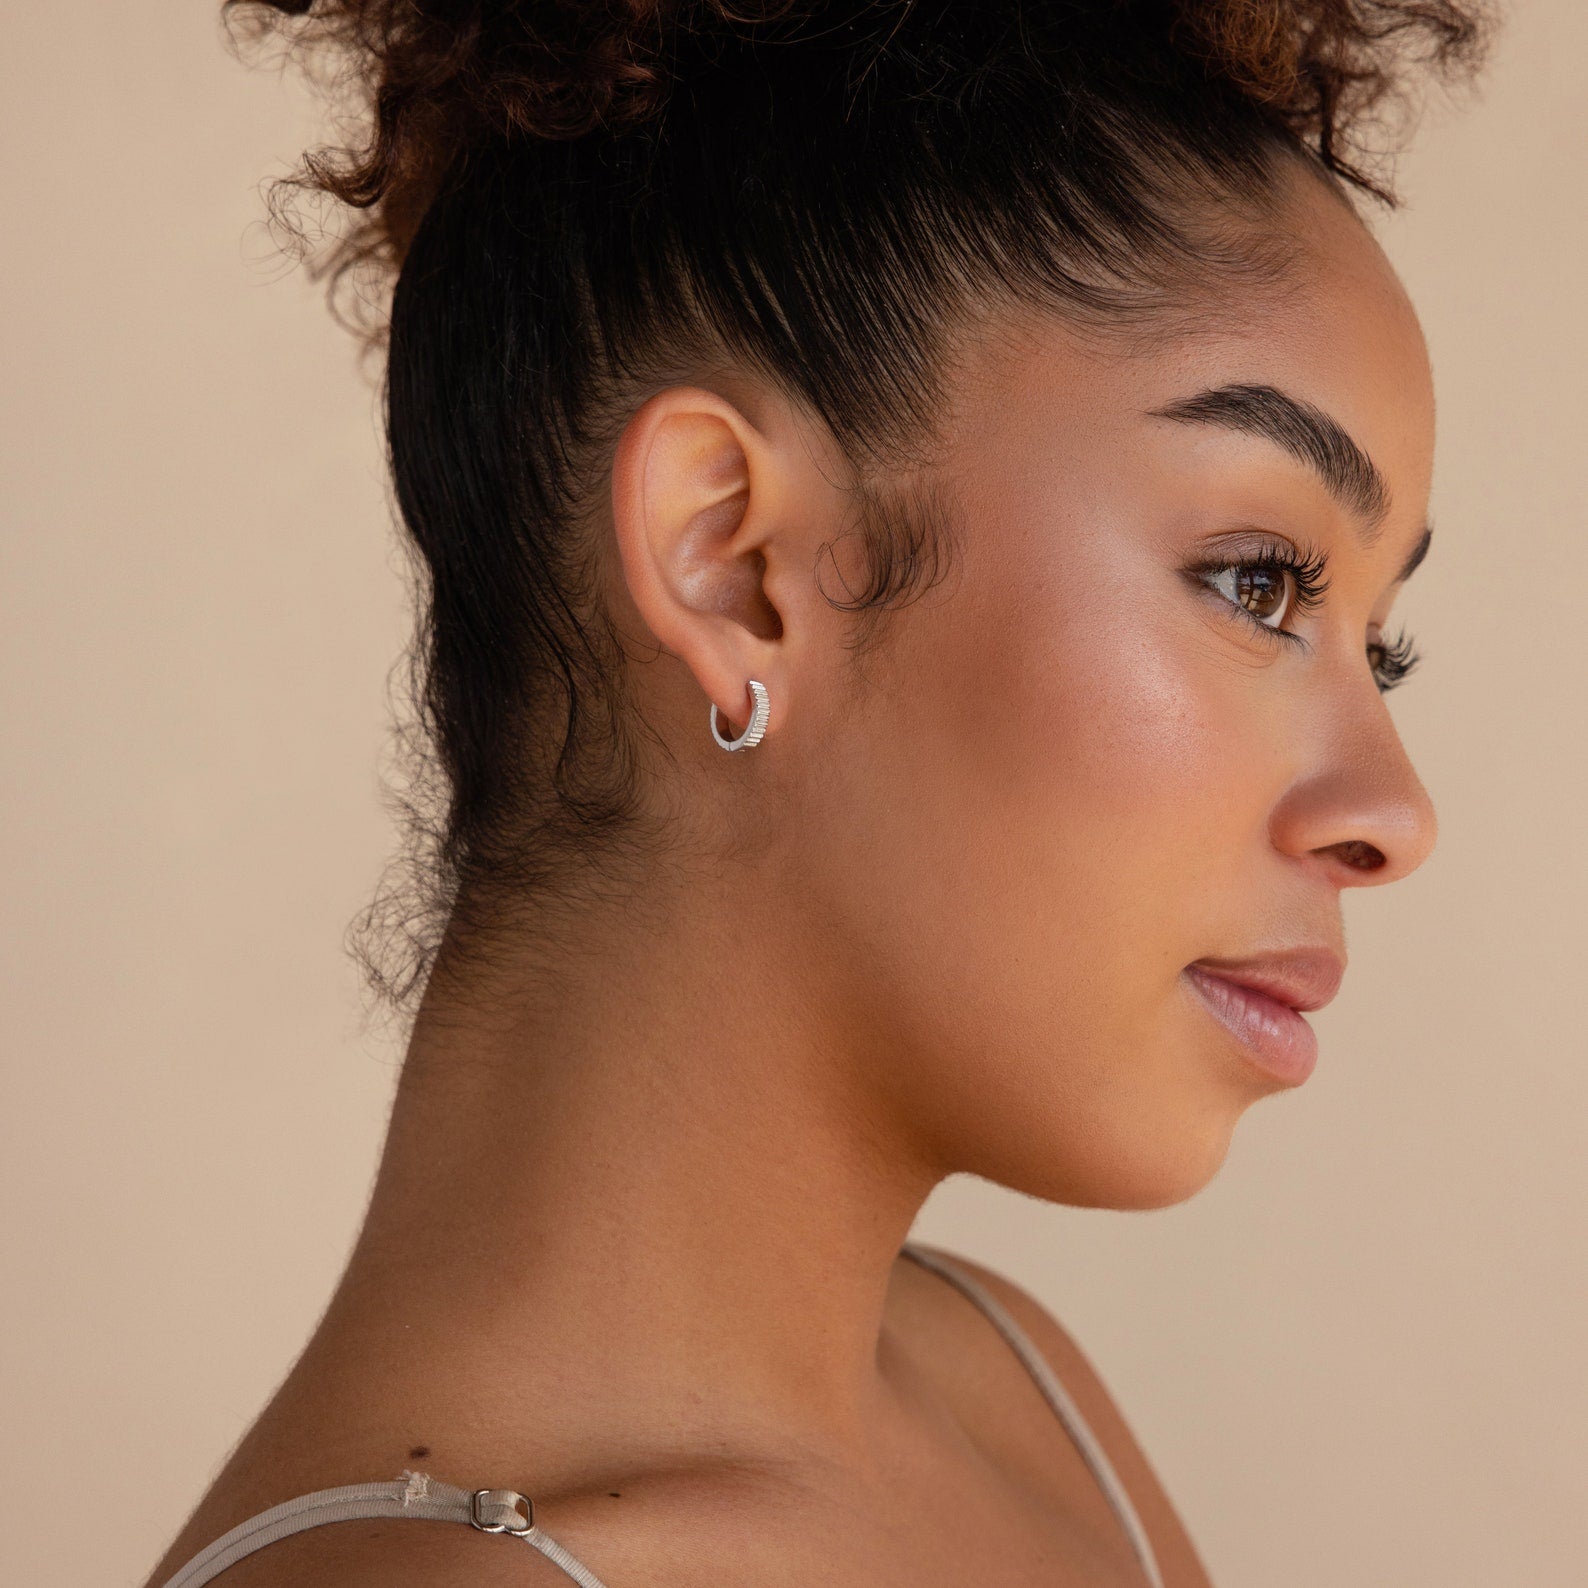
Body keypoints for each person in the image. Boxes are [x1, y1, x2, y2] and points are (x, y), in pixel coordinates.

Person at [144, 1, 1493, 1583]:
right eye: (1259, 582)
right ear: (737, 566)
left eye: (1375, 648)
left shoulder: (1020, 1397)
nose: (1393, 814)